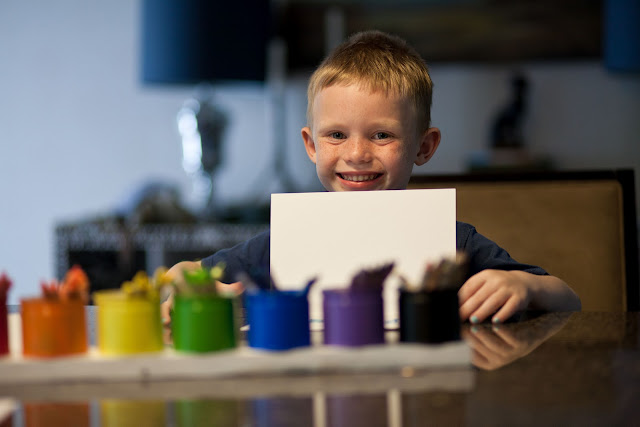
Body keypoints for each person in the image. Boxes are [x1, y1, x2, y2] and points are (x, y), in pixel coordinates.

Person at [162, 30, 581, 326]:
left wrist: (522, 285)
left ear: (424, 146)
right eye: (336, 135)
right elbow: (180, 274)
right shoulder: (284, 242)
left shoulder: (452, 242)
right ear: (311, 145)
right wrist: (184, 287)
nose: (357, 154)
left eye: (381, 135)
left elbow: (568, 297)